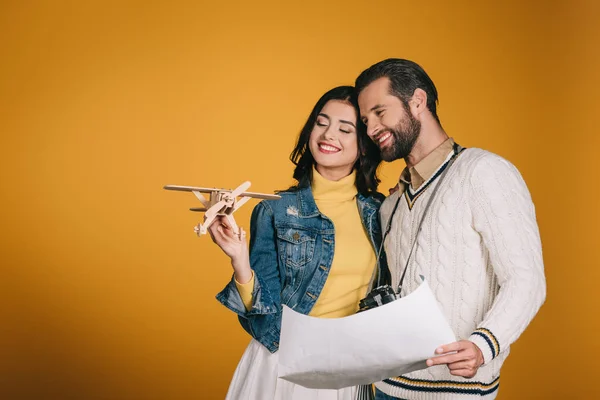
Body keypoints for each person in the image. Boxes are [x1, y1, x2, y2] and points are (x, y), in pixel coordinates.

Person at [355, 59, 546, 400]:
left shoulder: (485, 172)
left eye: (380, 112)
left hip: (456, 393)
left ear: (417, 101)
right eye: (366, 120)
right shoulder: (391, 204)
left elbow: (527, 280)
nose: (371, 128)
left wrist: (483, 345)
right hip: (384, 387)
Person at [211, 86, 386, 399]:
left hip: (349, 370)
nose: (328, 134)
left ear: (364, 146)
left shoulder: (381, 212)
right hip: (283, 365)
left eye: (345, 129)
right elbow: (266, 323)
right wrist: (239, 259)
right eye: (322, 122)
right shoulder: (273, 209)